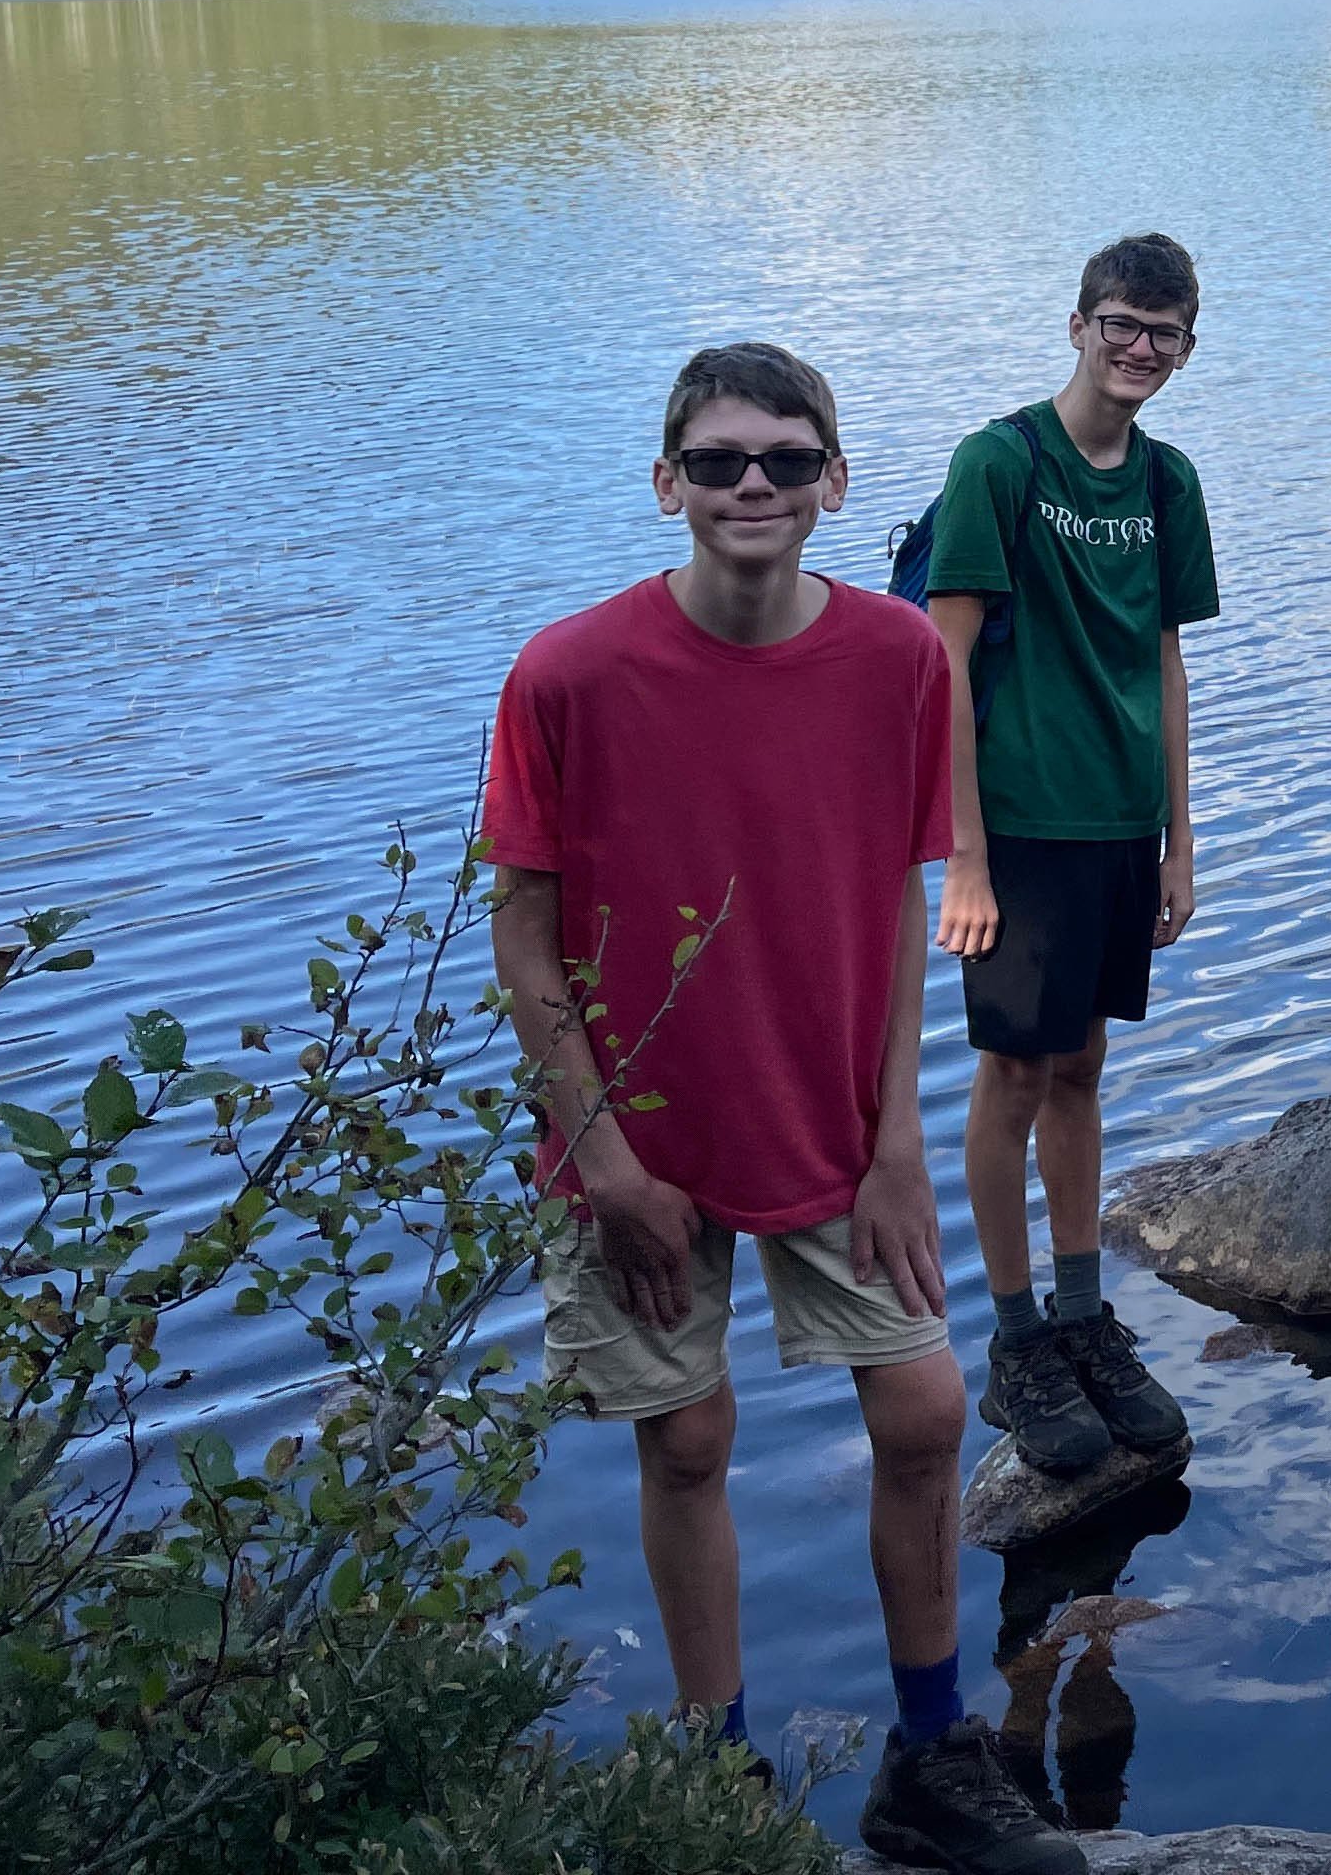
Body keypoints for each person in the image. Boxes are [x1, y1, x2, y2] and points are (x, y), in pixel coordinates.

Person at [487, 342, 1074, 1875]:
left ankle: (932, 1750)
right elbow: (525, 938)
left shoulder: (891, 659)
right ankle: (717, 1772)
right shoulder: (569, 672)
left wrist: (893, 1144)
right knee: (687, 1441)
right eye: (726, 460)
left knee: (931, 1409)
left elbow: (892, 899)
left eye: (790, 460)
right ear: (667, 481)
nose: (759, 485)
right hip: (636, 1137)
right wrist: (606, 1163)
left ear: (835, 483)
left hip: (830, 1124)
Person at [919, 236, 1214, 1480]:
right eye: (1120, 324)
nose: (1139, 349)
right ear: (1078, 324)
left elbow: (1163, 661)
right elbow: (941, 663)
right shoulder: (1002, 461)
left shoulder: (1167, 480)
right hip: (1021, 823)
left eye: (1164, 333)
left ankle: (1086, 1312)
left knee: (1083, 1065)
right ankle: (1016, 1334)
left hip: (1115, 824)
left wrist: (1177, 840)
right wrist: (965, 862)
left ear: (1187, 345)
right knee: (1014, 1077)